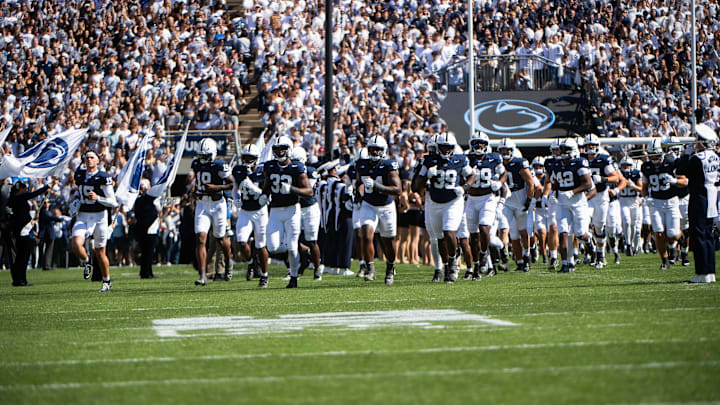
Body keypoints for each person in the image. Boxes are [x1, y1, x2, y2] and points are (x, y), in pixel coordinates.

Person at [413, 133, 474, 283]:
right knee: (439, 237)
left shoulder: (460, 159)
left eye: (449, 147)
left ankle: (453, 263)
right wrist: (426, 175)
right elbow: (415, 186)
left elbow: (472, 175)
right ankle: (446, 267)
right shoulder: (429, 161)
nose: (446, 150)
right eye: (443, 147)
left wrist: (465, 187)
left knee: (449, 232)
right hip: (434, 201)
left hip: (453, 201)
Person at [261, 136, 313, 288]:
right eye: (276, 149)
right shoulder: (270, 166)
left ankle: (294, 277)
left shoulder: (297, 167)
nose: (279, 152)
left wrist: (292, 189)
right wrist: (264, 196)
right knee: (272, 247)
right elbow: (266, 186)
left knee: (291, 246)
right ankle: (302, 250)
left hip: (292, 210)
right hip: (275, 210)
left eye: (282, 149)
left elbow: (309, 191)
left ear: (289, 150)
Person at [356, 135, 402, 285]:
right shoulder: (362, 164)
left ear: (384, 150)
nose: (375, 152)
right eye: (372, 149)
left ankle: (390, 267)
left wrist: (377, 186)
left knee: (388, 242)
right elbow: (358, 183)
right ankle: (371, 269)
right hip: (368, 204)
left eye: (378, 149)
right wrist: (357, 194)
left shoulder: (389, 165)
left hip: (386, 206)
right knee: (366, 235)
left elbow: (397, 189)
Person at [70, 151, 118, 293]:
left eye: (92, 158)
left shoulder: (103, 177)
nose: (89, 160)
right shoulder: (79, 175)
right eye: (87, 158)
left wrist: (98, 198)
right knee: (75, 244)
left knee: (100, 252)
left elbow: (113, 202)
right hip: (83, 216)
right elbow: (78, 192)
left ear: (98, 161)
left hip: (99, 217)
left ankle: (106, 281)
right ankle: (86, 263)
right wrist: (75, 201)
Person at [677, 124, 719, 283]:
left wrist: (685, 154)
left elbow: (681, 170)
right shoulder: (715, 156)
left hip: (700, 198)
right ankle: (710, 271)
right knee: (708, 235)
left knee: (699, 235)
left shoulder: (697, 158)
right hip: (712, 197)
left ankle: (702, 272)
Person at [191, 138, 233, 286]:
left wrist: (215, 188)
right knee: (201, 238)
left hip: (217, 204)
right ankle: (203, 275)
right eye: (201, 155)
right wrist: (195, 191)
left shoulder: (219, 165)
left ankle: (229, 263)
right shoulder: (196, 164)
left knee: (221, 239)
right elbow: (197, 182)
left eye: (206, 155)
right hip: (202, 204)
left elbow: (232, 184)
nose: (203, 159)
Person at [640, 138, 687, 270]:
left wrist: (674, 181)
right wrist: (645, 198)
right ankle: (664, 260)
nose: (654, 156)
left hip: (671, 200)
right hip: (655, 202)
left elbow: (685, 181)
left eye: (656, 153)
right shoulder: (646, 167)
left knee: (672, 234)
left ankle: (680, 238)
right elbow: (644, 187)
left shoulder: (671, 163)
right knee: (658, 232)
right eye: (651, 154)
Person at [465, 131, 506, 280]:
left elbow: (504, 173)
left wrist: (499, 183)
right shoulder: (466, 158)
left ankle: (483, 255)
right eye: (475, 143)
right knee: (473, 236)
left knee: (484, 228)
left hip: (488, 198)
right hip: (471, 198)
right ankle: (476, 267)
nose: (478, 146)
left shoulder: (494, 158)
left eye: (481, 144)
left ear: (486, 146)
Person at [550, 138, 593, 273]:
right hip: (562, 203)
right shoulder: (556, 164)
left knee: (580, 234)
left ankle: (589, 241)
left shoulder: (579, 163)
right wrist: (553, 194)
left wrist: (573, 191)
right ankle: (566, 264)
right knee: (563, 233)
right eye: (561, 149)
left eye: (565, 149)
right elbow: (555, 183)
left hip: (578, 202)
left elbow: (588, 184)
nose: (562, 152)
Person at [583, 134, 626, 268]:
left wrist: (602, 179)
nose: (590, 148)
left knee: (600, 226)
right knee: (583, 226)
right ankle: (590, 249)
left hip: (601, 196)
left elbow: (616, 178)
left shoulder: (603, 159)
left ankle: (600, 255)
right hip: (585, 196)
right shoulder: (580, 159)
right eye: (588, 146)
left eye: (593, 146)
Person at [232, 144, 270, 288]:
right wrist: (235, 197)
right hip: (245, 211)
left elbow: (266, 194)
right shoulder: (238, 170)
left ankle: (264, 275)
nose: (247, 161)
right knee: (241, 241)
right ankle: (251, 263)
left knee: (261, 245)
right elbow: (235, 187)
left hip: (260, 211)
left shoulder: (263, 171)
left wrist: (253, 188)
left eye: (250, 158)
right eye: (245, 158)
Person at [497, 138, 535, 272]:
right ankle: (510, 260)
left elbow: (531, 183)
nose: (505, 152)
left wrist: (529, 200)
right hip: (506, 200)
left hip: (519, 198)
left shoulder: (519, 163)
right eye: (502, 150)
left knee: (523, 232)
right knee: (507, 230)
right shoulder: (497, 164)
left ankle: (526, 256)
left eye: (507, 150)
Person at [8, 181, 49, 286]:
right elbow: (34, 194)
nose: (26, 190)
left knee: (20, 257)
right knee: (23, 257)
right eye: (24, 188)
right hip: (23, 230)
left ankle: (18, 279)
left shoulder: (13, 198)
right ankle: (21, 279)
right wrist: (47, 186)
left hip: (21, 229)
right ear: (20, 189)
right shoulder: (19, 197)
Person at [134, 179, 162, 279]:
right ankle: (146, 272)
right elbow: (159, 210)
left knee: (146, 252)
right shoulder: (150, 199)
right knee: (148, 252)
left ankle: (146, 271)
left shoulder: (139, 199)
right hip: (149, 228)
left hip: (144, 228)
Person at [38, 199, 64, 270]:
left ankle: (47, 264)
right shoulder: (44, 212)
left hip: (48, 233)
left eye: (48, 202)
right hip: (47, 233)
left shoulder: (47, 211)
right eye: (45, 202)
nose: (47, 204)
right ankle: (46, 265)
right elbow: (50, 218)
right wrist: (60, 219)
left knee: (48, 249)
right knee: (48, 249)